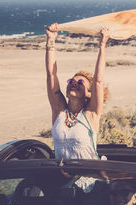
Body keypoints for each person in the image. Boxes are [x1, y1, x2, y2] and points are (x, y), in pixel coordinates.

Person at [45, 23, 109, 160]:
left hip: (89, 179)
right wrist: (51, 40)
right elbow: (51, 74)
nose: (74, 83)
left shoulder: (91, 114)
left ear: (89, 94)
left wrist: (102, 46)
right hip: (62, 179)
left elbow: (98, 81)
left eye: (80, 82)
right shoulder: (59, 111)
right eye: (71, 81)